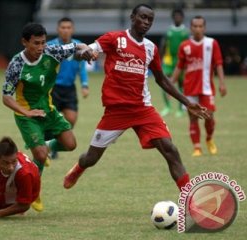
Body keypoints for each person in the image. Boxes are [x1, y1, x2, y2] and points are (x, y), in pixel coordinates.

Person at [63, 4, 210, 192]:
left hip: (142, 109)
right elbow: (82, 51)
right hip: (116, 111)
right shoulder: (114, 39)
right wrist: (82, 53)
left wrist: (187, 102)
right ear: (133, 17)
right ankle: (78, 168)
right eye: (143, 17)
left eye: (150, 19)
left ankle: (190, 198)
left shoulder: (151, 48)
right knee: (91, 158)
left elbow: (161, 79)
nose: (146, 22)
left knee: (170, 149)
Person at [2, 23, 95, 211]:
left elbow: (78, 46)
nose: (40, 48)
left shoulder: (52, 52)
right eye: (36, 43)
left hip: (48, 110)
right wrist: (26, 112)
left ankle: (50, 145)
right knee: (41, 155)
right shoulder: (16, 64)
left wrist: (86, 51)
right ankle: (34, 192)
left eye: (43, 43)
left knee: (70, 144)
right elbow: (6, 97)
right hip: (27, 116)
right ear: (24, 42)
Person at [171, 15, 227, 157]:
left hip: (207, 89)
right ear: (191, 28)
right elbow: (179, 66)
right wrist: (170, 83)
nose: (197, 29)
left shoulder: (212, 43)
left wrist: (221, 83)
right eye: (195, 26)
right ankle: (197, 147)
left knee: (209, 117)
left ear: (204, 27)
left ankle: (209, 138)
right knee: (193, 117)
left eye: (200, 26)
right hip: (189, 89)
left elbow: (219, 63)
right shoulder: (185, 46)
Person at [47, 17, 90, 159]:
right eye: (63, 27)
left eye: (68, 27)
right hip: (52, 89)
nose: (65, 30)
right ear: (58, 29)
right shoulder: (51, 46)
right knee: (52, 119)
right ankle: (49, 147)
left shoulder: (78, 46)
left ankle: (55, 142)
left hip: (69, 89)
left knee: (71, 118)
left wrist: (84, 85)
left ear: (72, 29)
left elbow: (82, 68)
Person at [159, 9, 189, 117]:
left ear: (182, 18)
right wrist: (160, 58)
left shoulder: (185, 32)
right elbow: (163, 45)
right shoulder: (168, 31)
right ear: (173, 17)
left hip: (181, 61)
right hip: (168, 60)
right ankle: (167, 107)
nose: (177, 18)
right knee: (164, 83)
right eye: (175, 16)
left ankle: (180, 109)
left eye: (179, 16)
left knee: (181, 84)